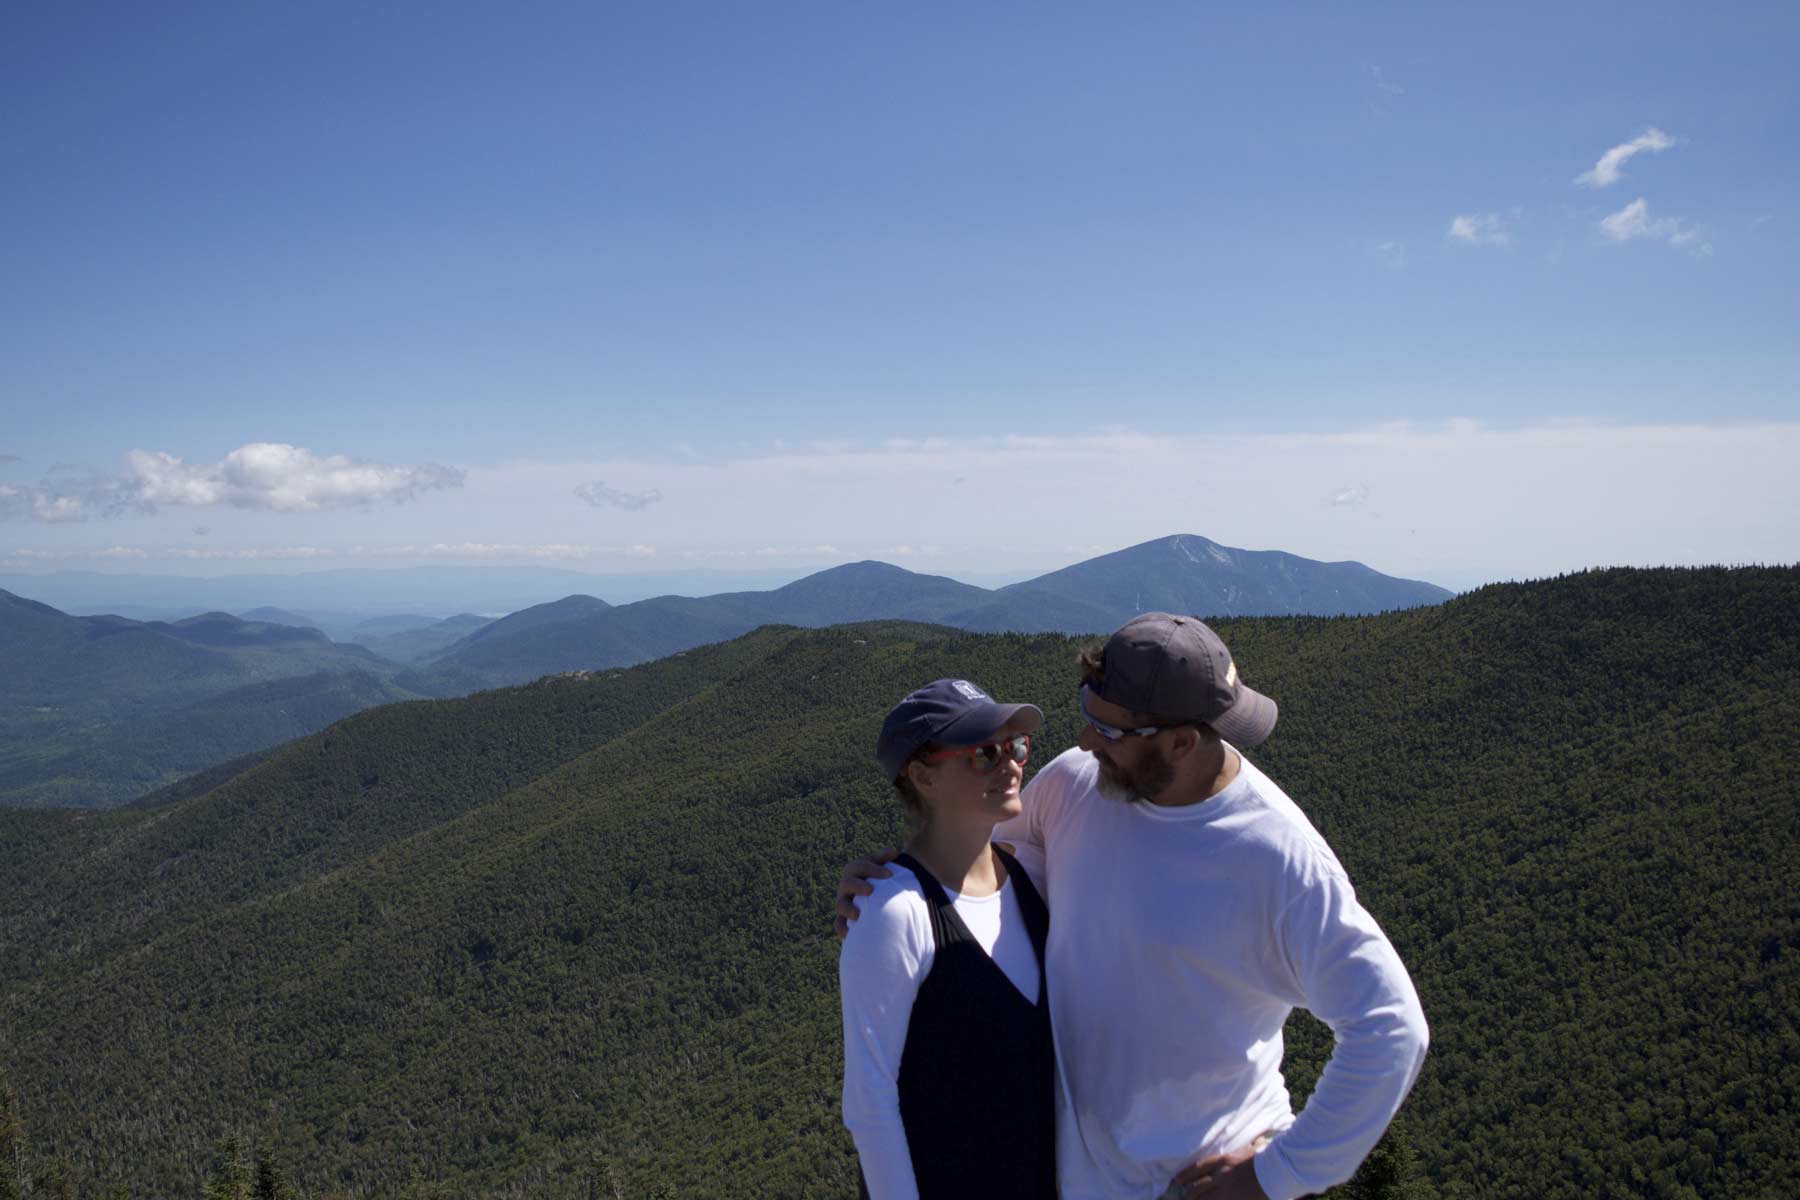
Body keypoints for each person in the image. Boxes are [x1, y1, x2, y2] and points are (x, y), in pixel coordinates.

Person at [837, 614, 1428, 1200]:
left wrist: (1277, 1174)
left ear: (1180, 742)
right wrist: (896, 889)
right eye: (1087, 712)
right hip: (1076, 1181)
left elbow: (1392, 1027)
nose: (1085, 740)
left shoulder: (1278, 859)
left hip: (1198, 1181)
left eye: (1108, 729)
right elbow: (983, 874)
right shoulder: (1075, 784)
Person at [839, 678, 1058, 1200]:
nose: (1010, 765)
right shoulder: (895, 913)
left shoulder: (1031, 874)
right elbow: (869, 1103)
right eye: (984, 753)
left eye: (1016, 747)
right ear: (922, 776)